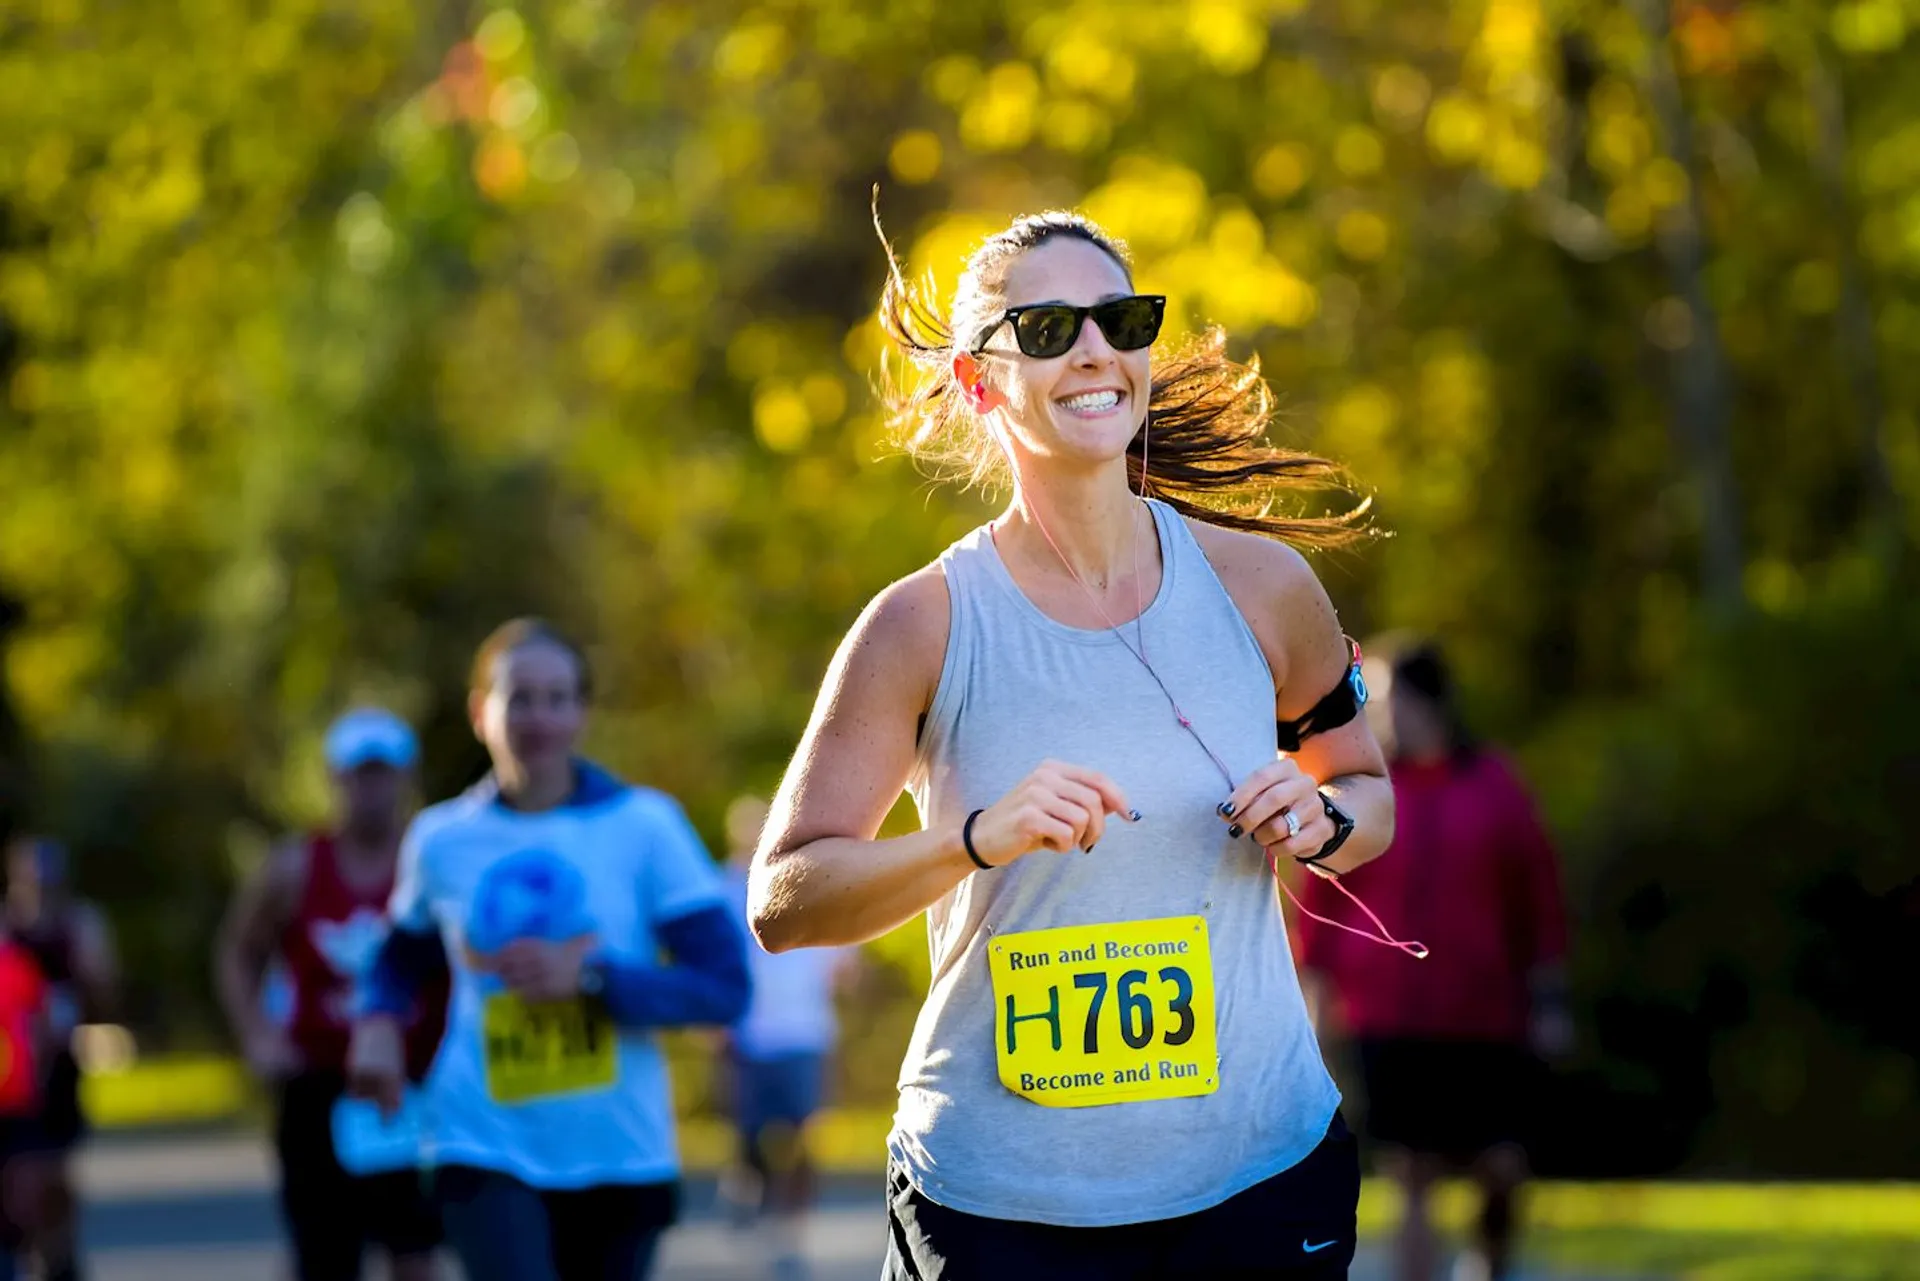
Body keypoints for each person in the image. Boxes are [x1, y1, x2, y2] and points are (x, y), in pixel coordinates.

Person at [751, 209, 1408, 1280]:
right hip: (1002, 1205)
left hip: (1259, 1176)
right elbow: (785, 901)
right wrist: (974, 839)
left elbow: (1367, 799)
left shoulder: (1265, 589)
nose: (1096, 348)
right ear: (980, 381)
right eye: (1049, 327)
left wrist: (1320, 818)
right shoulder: (922, 624)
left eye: (1120, 319)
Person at [348, 618, 752, 1281]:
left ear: (582, 713)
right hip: (480, 1139)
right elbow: (399, 957)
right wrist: (375, 1022)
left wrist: (593, 978)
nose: (540, 716)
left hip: (619, 1152)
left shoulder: (645, 826)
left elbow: (725, 987)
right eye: (520, 697)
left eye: (558, 697)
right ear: (482, 712)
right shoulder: (441, 838)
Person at [1296, 641, 1570, 1281]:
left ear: (1431, 702)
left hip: (1485, 1014)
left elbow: (1538, 894)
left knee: (1501, 1167)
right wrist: (1313, 997)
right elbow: (1323, 895)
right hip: (1386, 1014)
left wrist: (1551, 998)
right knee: (1409, 1169)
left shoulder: (1496, 785)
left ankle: (1488, 1267)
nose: (1381, 715)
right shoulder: (1362, 791)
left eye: (1390, 699)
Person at [214, 708, 444, 1281]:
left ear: (405, 777)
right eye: (358, 774)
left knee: (415, 1253)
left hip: (415, 1085)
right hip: (319, 1082)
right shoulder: (293, 867)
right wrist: (258, 1036)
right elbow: (238, 951)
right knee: (324, 1254)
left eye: (382, 773)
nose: (371, 789)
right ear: (336, 778)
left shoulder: (434, 864)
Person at [719, 795, 858, 1281]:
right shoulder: (723, 891)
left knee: (802, 1136)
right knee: (751, 1135)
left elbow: (844, 958)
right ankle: (751, 1193)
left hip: (805, 1032)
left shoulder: (810, 881)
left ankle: (790, 1229)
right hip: (747, 1034)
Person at [2, 836, 116, 1281]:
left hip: (55, 1078)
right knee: (15, 1188)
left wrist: (92, 981)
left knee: (50, 1185)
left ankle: (58, 1262)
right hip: (10, 1081)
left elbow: (104, 995)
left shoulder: (80, 926)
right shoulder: (6, 930)